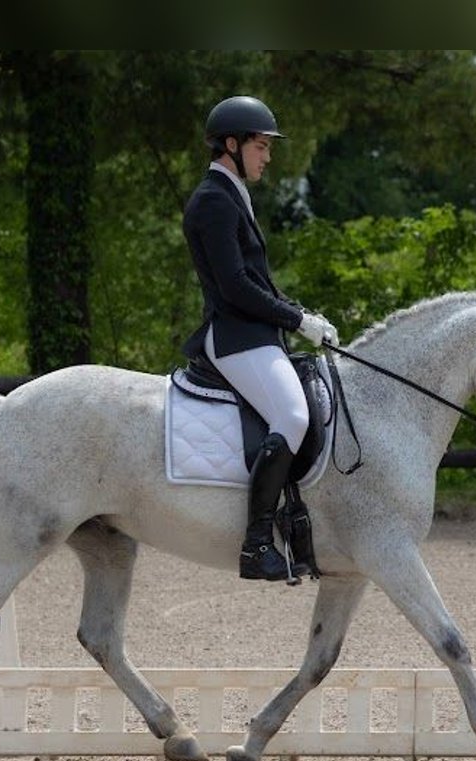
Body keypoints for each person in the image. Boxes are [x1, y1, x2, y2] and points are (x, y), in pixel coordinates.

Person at [180, 95, 339, 581]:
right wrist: (296, 323)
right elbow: (234, 286)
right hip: (234, 337)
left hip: (255, 333)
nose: (268, 156)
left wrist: (299, 312)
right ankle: (255, 546)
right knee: (292, 415)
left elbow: (259, 282)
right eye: (261, 146)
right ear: (232, 145)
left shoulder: (232, 195)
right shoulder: (212, 201)